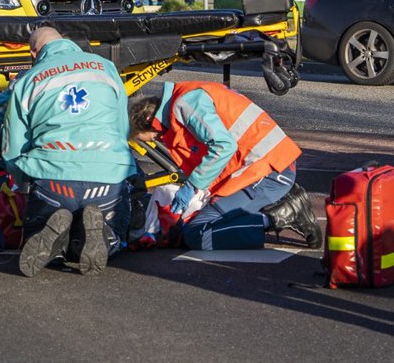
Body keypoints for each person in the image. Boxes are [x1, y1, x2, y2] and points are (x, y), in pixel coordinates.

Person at [2, 26, 136, 277]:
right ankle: (104, 235)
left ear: (33, 53)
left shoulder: (28, 80)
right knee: (115, 238)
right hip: (108, 179)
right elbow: (121, 128)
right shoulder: (106, 68)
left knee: (40, 229)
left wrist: (23, 184)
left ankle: (55, 242)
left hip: (53, 181)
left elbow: (13, 148)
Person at [126, 81, 321, 251]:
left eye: (155, 137)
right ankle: (277, 206)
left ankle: (279, 216)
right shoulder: (185, 99)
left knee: (197, 234)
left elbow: (223, 146)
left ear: (150, 122)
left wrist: (192, 186)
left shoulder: (186, 105)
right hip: (266, 166)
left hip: (268, 170)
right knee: (200, 224)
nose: (159, 139)